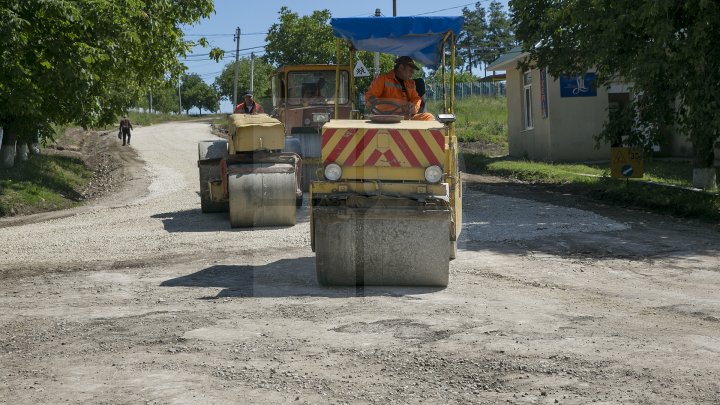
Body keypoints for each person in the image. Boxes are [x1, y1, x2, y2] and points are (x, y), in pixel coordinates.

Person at [365, 56, 434, 121]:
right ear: (401, 67)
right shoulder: (382, 79)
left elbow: (416, 98)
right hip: (385, 117)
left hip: (406, 118)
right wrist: (373, 100)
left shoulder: (411, 83)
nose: (412, 73)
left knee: (428, 117)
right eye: (410, 70)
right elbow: (370, 97)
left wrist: (413, 107)